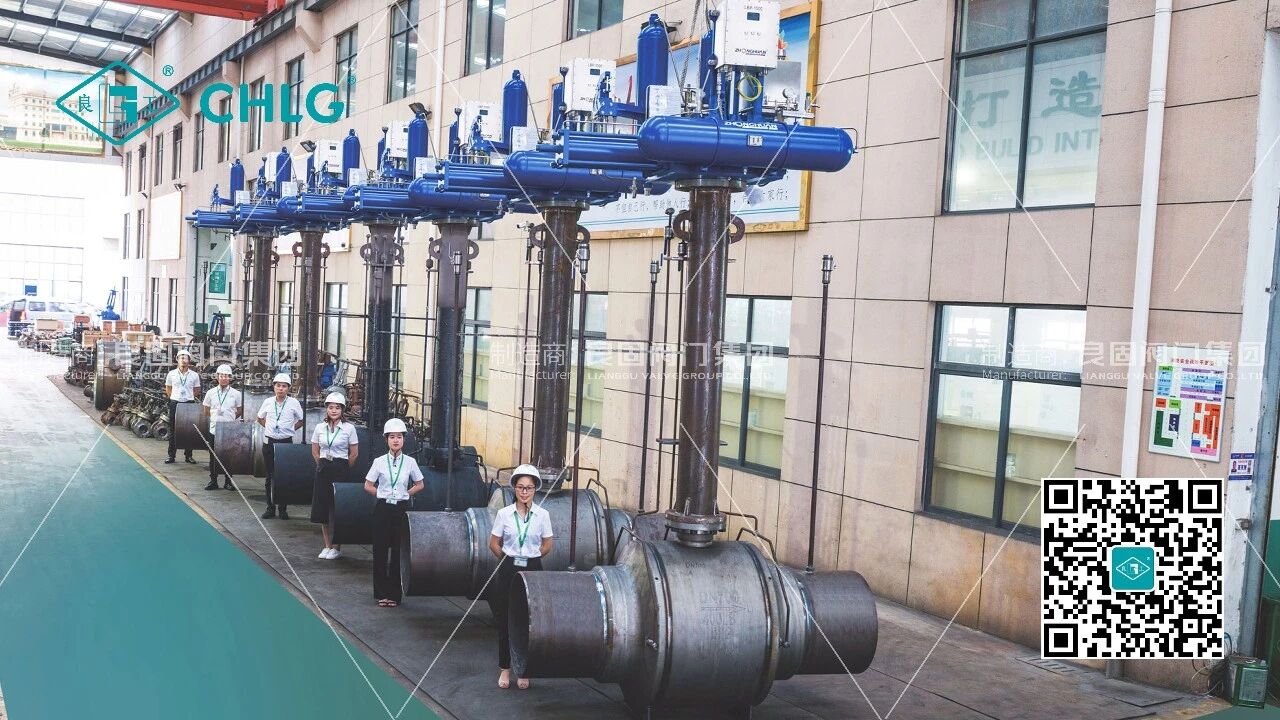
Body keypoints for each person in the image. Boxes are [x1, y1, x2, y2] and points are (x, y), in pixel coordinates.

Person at [488, 464, 553, 690]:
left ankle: (525, 670)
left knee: (530, 622)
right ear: (514, 488)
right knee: (506, 619)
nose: (524, 492)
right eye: (521, 487)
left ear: (535, 489)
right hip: (509, 567)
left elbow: (547, 544)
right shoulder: (504, 514)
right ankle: (505, 668)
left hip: (533, 568)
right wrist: (508, 559)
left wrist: (532, 557)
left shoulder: (542, 515)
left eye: (529, 488)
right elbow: (494, 543)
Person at [363, 418, 423, 607]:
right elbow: (368, 485)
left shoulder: (410, 462)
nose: (396, 440)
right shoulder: (379, 462)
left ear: (404, 439)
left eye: (399, 437)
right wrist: (381, 494)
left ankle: (394, 595)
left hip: (401, 509)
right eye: (392, 437)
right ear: (386, 439)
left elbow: (420, 484)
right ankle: (381, 593)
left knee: (398, 552)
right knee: (380, 551)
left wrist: (406, 494)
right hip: (383, 508)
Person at [311, 392, 358, 559]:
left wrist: (342, 468)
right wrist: (322, 465)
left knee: (337, 508)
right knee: (323, 508)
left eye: (337, 408)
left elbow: (354, 454)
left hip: (340, 469)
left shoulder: (349, 428)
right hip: (324, 468)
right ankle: (327, 546)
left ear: (342, 410)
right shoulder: (319, 427)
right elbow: (315, 451)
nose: (334, 410)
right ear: (326, 409)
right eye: (331, 407)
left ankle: (337, 547)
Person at [257, 372, 305, 520]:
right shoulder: (268, 402)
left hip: (286, 443)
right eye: (278, 386)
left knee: (284, 476)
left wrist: (290, 430)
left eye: (284, 386)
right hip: (270, 441)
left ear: (288, 388)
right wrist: (269, 428)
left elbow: (301, 420)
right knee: (270, 476)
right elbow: (260, 418)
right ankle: (270, 507)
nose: (281, 389)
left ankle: (283, 509)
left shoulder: (293, 403)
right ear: (274, 387)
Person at [202, 363, 242, 490]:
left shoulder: (236, 394)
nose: (224, 378)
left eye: (226, 376)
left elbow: (239, 411)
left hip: (229, 431)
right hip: (214, 430)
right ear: (217, 377)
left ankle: (228, 481)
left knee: (229, 457)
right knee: (213, 456)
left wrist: (229, 419)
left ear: (230, 378)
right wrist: (216, 418)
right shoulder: (211, 393)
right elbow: (206, 410)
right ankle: (213, 481)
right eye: (221, 375)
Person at [164, 349, 202, 465]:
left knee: (189, 430)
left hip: (189, 404)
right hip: (175, 403)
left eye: (185, 358)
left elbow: (197, 389)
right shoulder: (171, 374)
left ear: (189, 361)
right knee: (173, 429)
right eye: (181, 358)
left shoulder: (194, 375)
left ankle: (188, 456)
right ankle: (171, 455)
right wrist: (174, 397)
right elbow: (168, 388)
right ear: (177, 359)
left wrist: (189, 397)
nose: (183, 360)